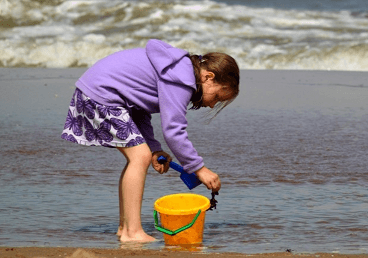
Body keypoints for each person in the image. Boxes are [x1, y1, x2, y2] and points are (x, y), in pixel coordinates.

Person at [61, 39, 240, 242]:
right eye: (216, 97)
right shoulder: (182, 79)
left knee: (141, 155)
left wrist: (154, 148)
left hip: (98, 92)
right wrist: (199, 168)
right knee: (140, 157)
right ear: (208, 77)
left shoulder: (176, 70)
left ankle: (125, 227)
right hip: (101, 95)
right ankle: (132, 233)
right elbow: (173, 130)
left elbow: (139, 109)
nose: (211, 105)